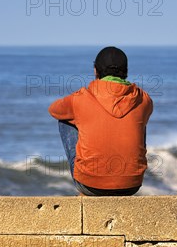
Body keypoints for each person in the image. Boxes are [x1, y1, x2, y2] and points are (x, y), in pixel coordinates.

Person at [48, 46, 153, 196]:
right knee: (138, 121)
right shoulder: (144, 99)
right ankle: (125, 173)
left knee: (64, 119)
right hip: (132, 185)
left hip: (90, 186)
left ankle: (86, 178)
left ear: (96, 71)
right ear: (126, 71)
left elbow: (53, 110)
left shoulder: (81, 98)